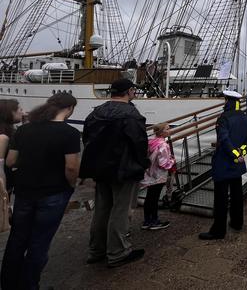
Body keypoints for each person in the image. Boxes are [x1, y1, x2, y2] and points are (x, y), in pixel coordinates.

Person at [1, 93, 79, 290]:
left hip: (25, 190)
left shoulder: (24, 130)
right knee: (39, 241)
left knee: (17, 239)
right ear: (69, 109)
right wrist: (72, 184)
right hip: (53, 192)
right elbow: (71, 167)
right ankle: (29, 285)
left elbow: (10, 161)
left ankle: (9, 283)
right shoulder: (69, 133)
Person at [80, 78, 149, 268]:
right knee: (120, 210)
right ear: (129, 91)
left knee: (102, 209)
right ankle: (118, 252)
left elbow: (87, 137)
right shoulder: (131, 114)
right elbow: (139, 143)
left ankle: (96, 249)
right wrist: (143, 163)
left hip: (100, 169)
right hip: (123, 169)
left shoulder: (96, 112)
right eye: (133, 90)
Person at [199, 90, 247, 240]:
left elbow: (224, 139)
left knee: (221, 198)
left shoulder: (223, 118)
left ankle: (218, 231)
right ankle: (237, 222)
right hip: (238, 163)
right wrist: (240, 153)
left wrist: (234, 154)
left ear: (227, 101)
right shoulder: (245, 117)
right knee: (236, 195)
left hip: (224, 162)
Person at [139, 123, 175, 230]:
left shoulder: (151, 143)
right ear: (162, 132)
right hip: (159, 175)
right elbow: (163, 163)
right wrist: (172, 160)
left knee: (149, 197)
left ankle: (147, 220)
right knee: (154, 198)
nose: (170, 130)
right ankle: (154, 221)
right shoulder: (163, 145)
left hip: (150, 174)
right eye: (168, 129)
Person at [0, 99, 23, 195]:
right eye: (20, 109)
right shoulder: (3, 137)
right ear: (10, 112)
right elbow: (0, 167)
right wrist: (3, 190)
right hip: (4, 185)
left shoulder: (10, 132)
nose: (23, 112)